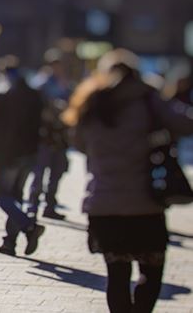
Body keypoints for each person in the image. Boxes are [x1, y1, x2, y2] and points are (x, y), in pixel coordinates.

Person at [63, 49, 193, 313]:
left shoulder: (92, 101)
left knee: (117, 276)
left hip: (104, 205)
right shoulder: (148, 99)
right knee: (151, 273)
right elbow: (184, 124)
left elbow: (78, 142)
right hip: (145, 204)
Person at [0, 55, 45, 257]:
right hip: (29, 154)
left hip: (5, 155)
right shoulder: (33, 94)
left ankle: (29, 226)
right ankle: (9, 242)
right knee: (15, 196)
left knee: (1, 195)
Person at [28, 49, 73, 220]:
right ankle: (33, 205)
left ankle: (50, 205)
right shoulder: (41, 83)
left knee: (56, 173)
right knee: (39, 173)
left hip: (60, 137)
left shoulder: (64, 84)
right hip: (44, 135)